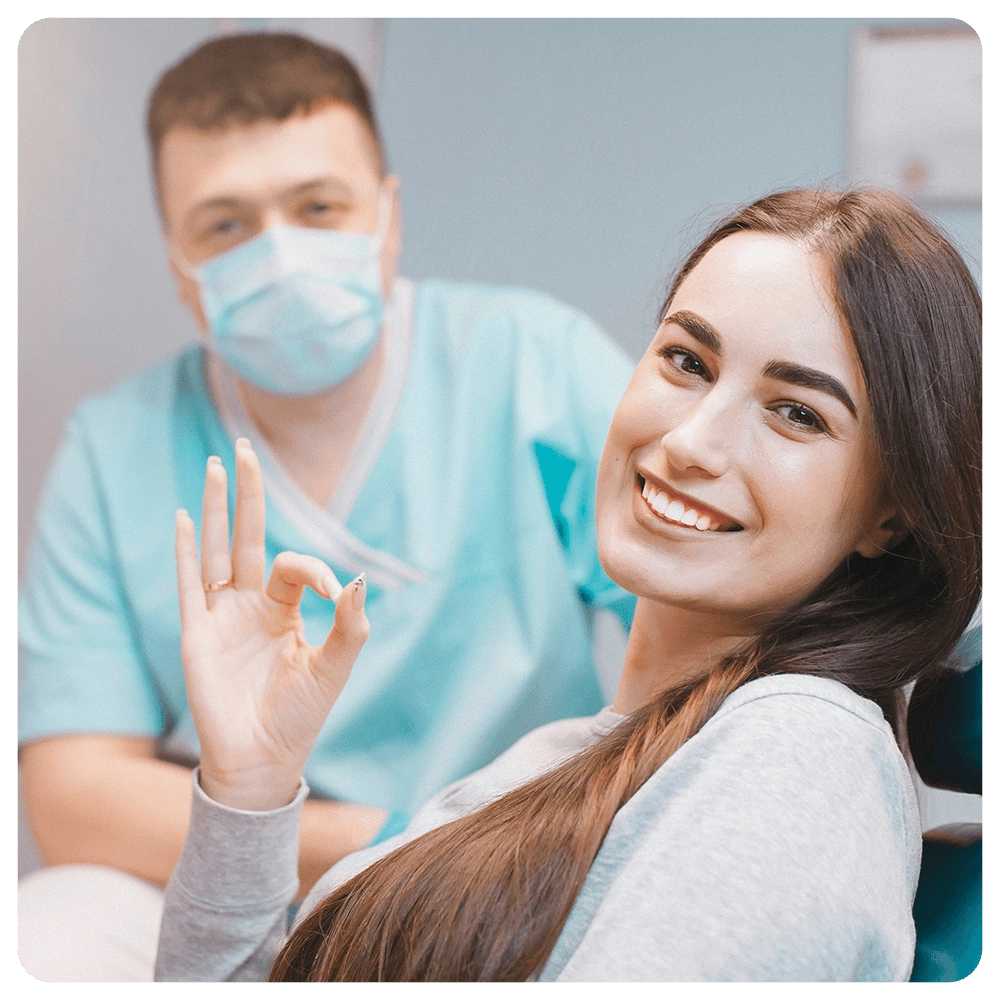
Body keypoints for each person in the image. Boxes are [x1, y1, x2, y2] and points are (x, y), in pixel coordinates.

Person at [153, 187, 983, 983]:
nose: (693, 440)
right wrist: (250, 788)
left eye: (796, 412)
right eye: (686, 360)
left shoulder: (799, 753)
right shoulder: (570, 756)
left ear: (891, 516)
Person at [16, 33, 635, 982]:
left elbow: (704, 635)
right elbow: (71, 797)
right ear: (179, 261)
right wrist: (374, 836)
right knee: (47, 934)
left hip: (513, 864)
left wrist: (481, 846)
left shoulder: (534, 366)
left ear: (386, 217)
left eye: (318, 207)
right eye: (226, 226)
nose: (281, 255)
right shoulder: (117, 448)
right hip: (225, 866)